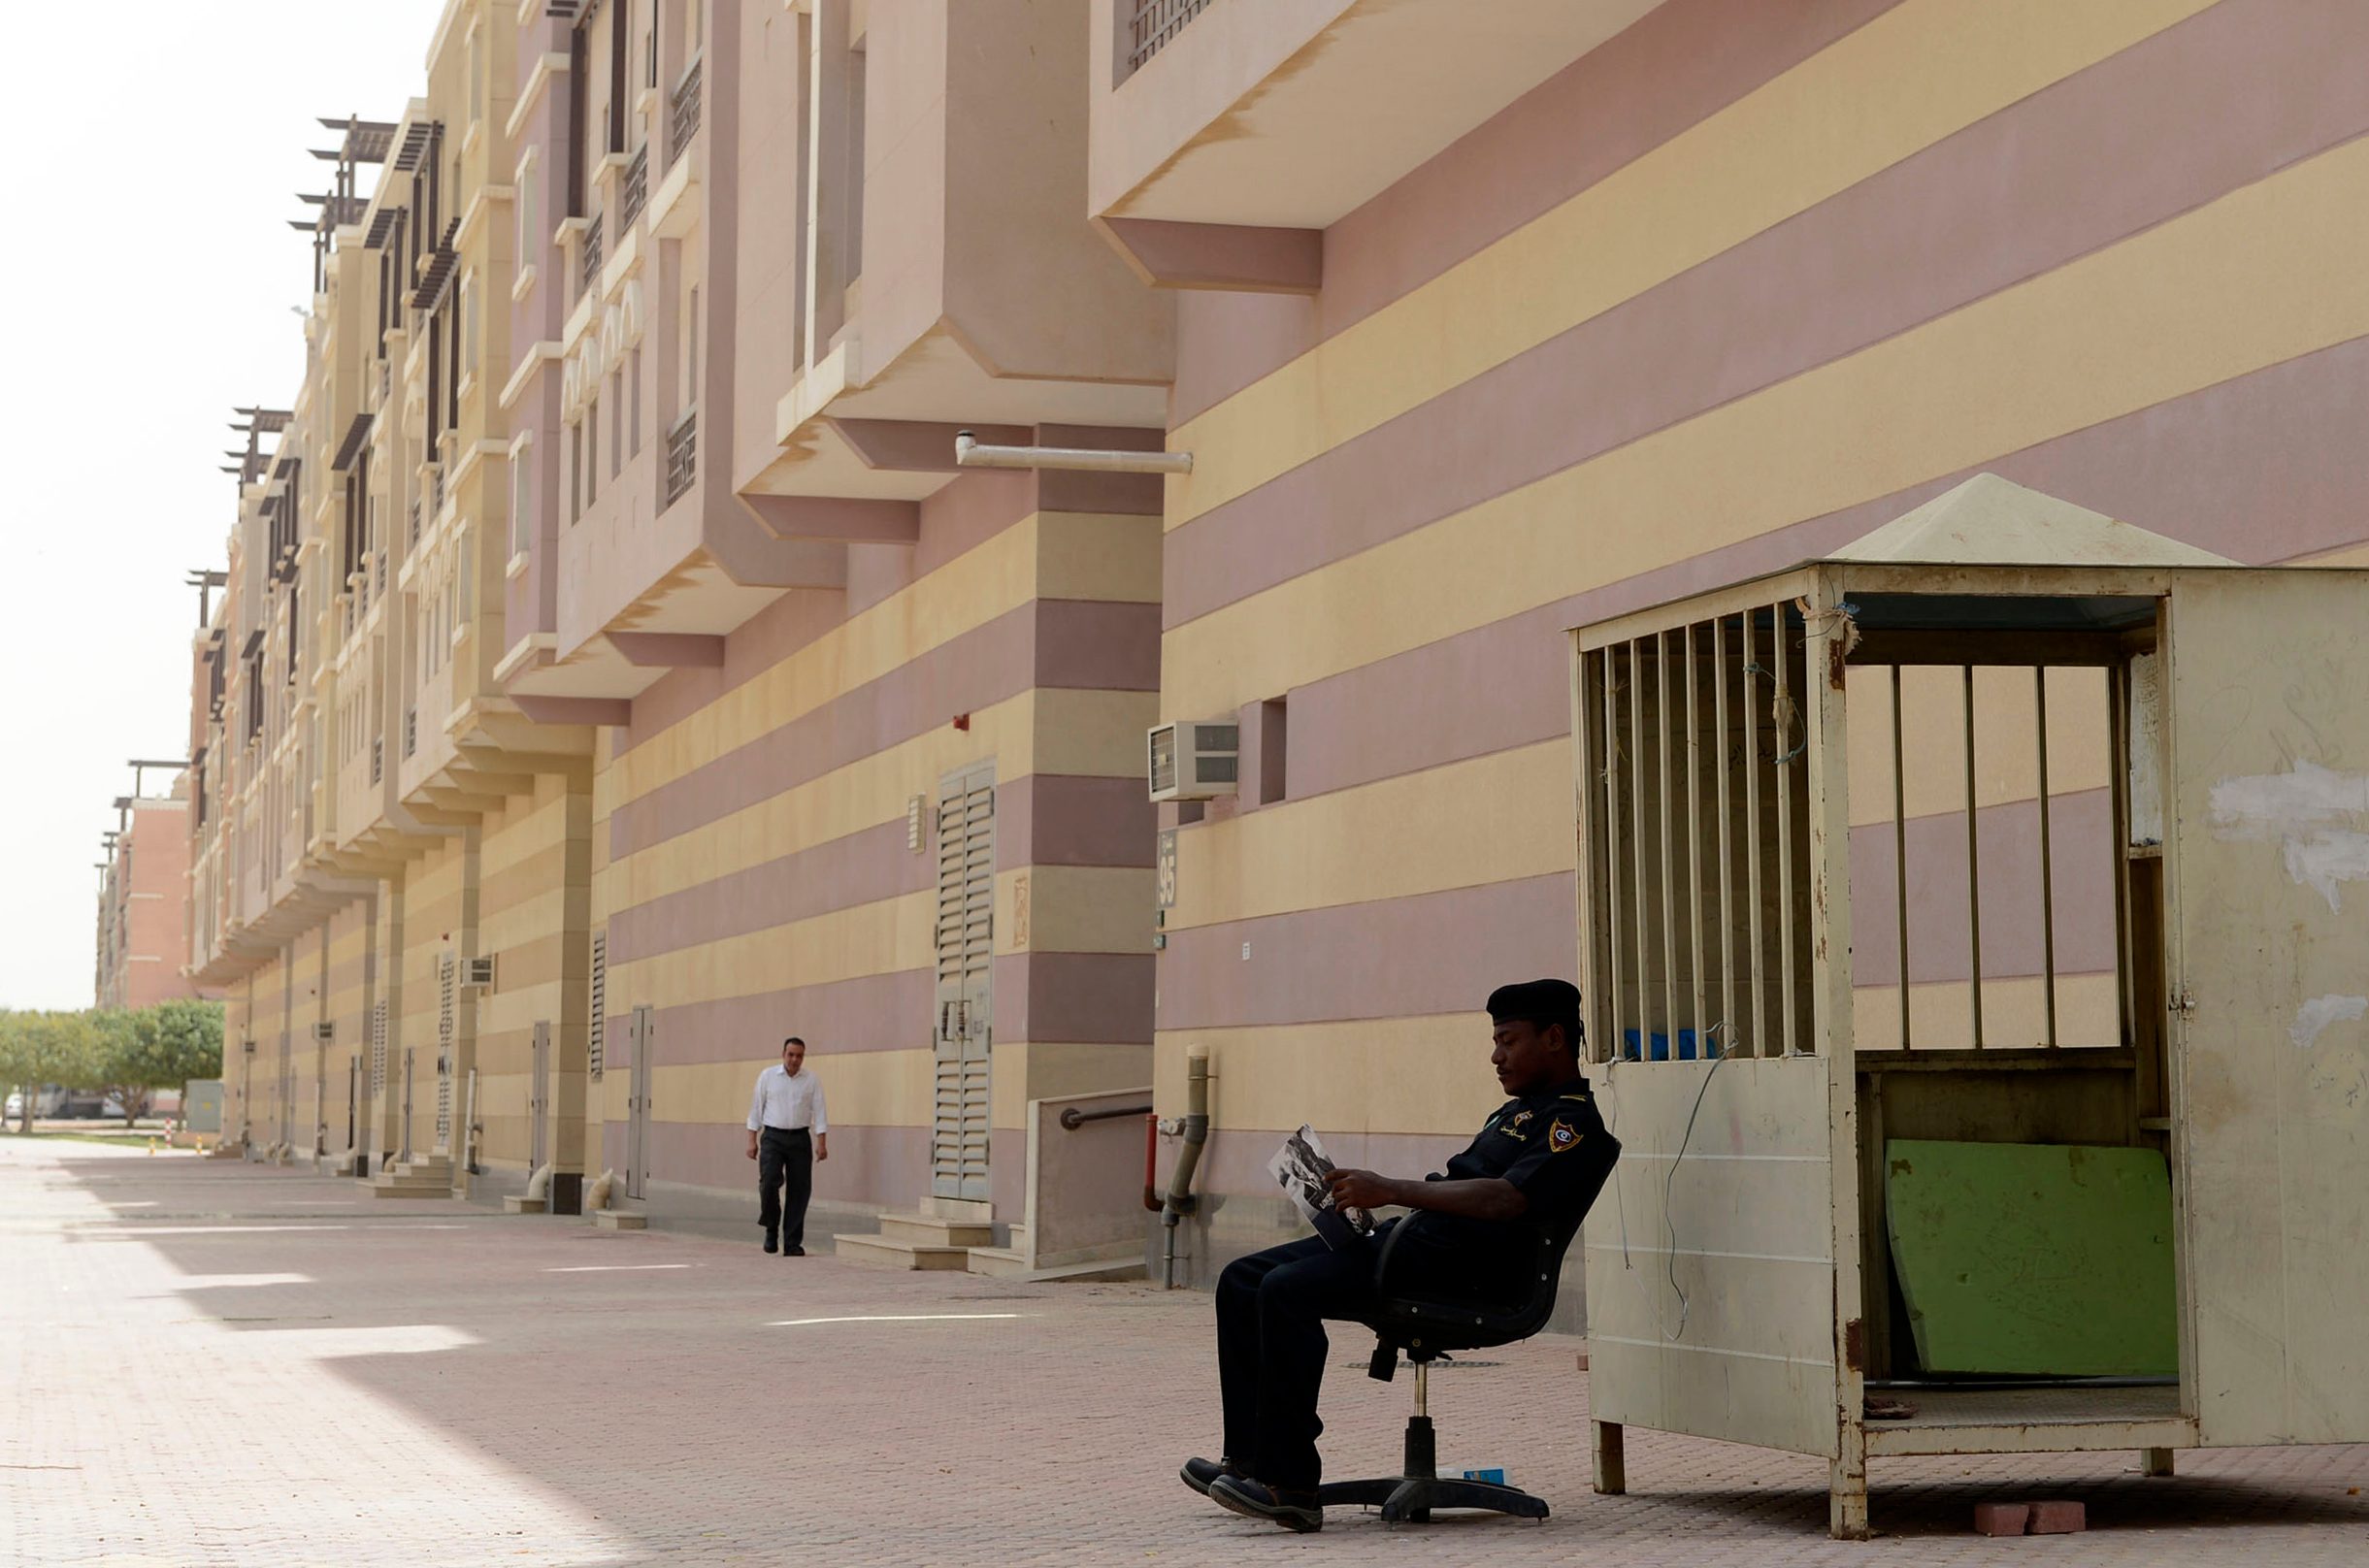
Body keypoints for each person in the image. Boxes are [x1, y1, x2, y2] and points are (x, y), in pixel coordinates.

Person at [1185, 979, 1619, 1533]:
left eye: (1508, 1040)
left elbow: (1506, 1198)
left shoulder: (1572, 1124)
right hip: (1414, 1244)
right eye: (1495, 1041)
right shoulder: (1512, 1114)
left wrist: (1388, 1188)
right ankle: (1248, 1461)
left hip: (1460, 1272)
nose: (1496, 1055)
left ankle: (1289, 1483)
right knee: (1242, 1278)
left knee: (1286, 1289)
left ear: (1554, 1038)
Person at [745, 1035, 829, 1255]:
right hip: (773, 1137)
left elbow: (819, 1111)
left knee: (800, 1190)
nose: (794, 1059)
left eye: (799, 1056)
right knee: (769, 1182)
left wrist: (821, 1143)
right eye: (791, 1055)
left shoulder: (811, 1080)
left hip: (800, 1138)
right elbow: (756, 1108)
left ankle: (792, 1242)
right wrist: (751, 1139)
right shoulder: (768, 1076)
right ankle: (771, 1228)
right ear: (783, 1054)